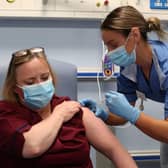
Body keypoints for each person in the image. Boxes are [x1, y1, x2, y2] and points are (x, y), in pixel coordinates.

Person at [0, 47, 137, 168]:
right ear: (15, 89)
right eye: (30, 82)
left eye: (45, 77)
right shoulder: (6, 115)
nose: (40, 84)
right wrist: (59, 115)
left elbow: (115, 150)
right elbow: (32, 146)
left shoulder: (74, 111)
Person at [80, 5, 168, 168]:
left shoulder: (165, 65)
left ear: (134, 35)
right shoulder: (130, 67)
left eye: (113, 45)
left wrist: (133, 114)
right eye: (107, 46)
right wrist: (104, 115)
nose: (110, 53)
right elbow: (123, 114)